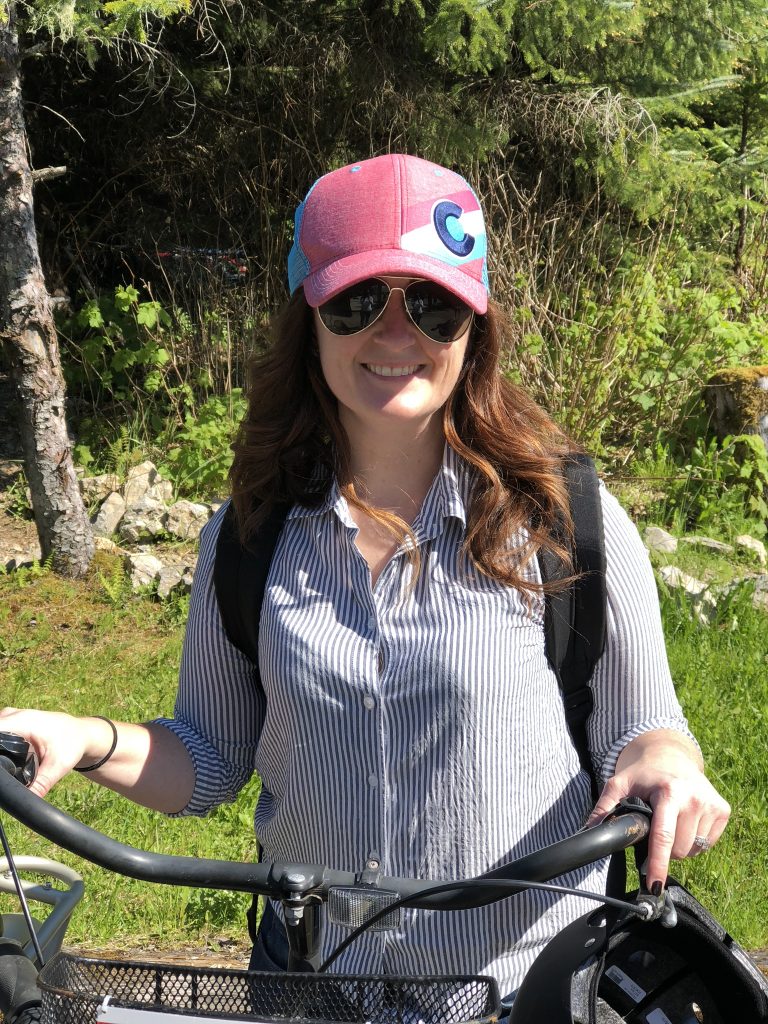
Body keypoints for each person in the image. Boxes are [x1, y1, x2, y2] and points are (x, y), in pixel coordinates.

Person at [0, 154, 730, 1004]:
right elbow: (209, 757)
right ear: (308, 320)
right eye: (356, 302)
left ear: (475, 324)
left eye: (431, 304)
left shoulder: (566, 521)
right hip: (311, 988)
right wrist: (84, 739)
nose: (395, 336)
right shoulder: (250, 536)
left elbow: (645, 730)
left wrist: (670, 767)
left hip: (518, 993)